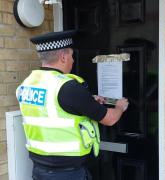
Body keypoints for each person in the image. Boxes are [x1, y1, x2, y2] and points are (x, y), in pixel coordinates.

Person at [16, 30, 129, 180]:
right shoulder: (68, 87)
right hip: (67, 173)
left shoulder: (27, 84)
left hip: (39, 170)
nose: (73, 61)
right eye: (71, 56)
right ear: (63, 57)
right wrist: (120, 106)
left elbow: (52, 108)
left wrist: (87, 101)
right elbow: (109, 119)